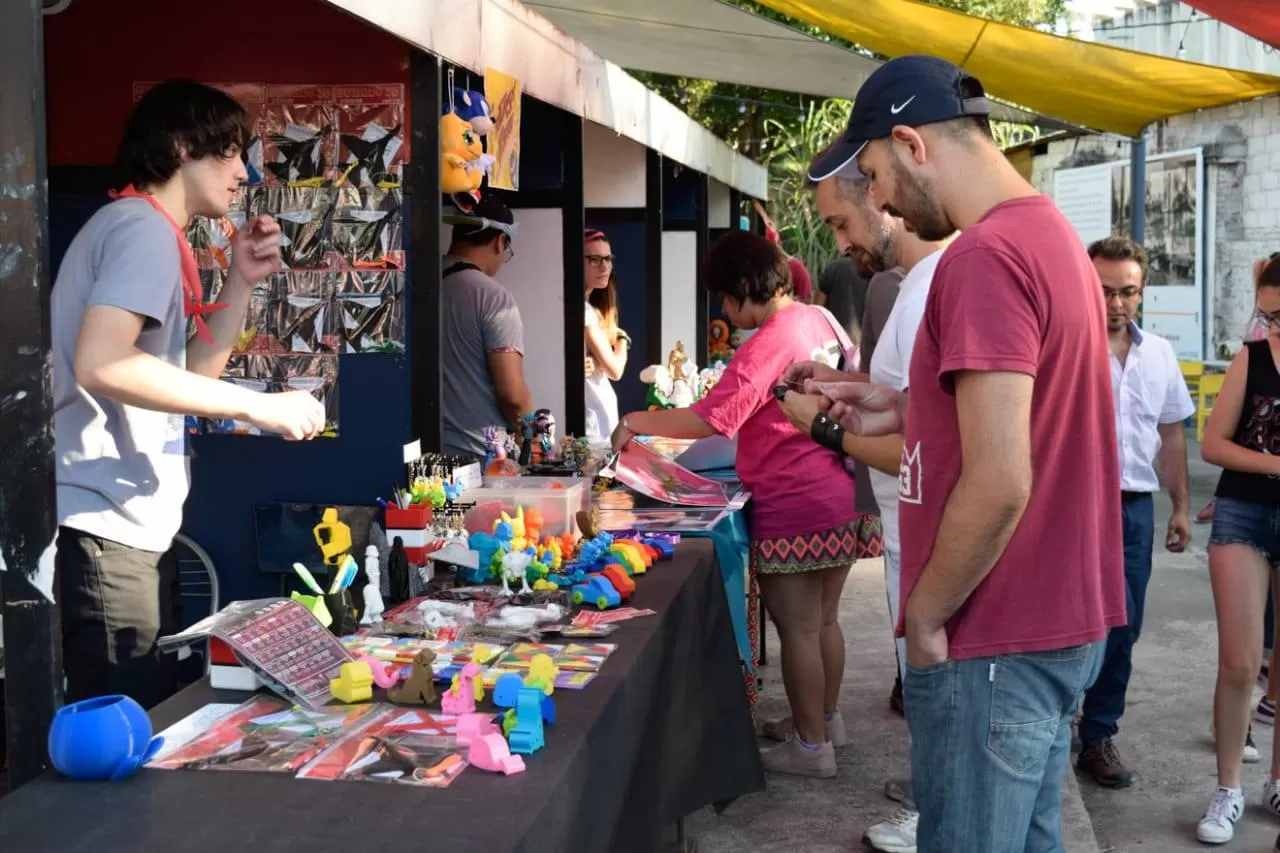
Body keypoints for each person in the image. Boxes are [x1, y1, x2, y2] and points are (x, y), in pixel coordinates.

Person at [802, 55, 1123, 852]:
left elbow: (1002, 475)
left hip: (995, 630)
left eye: (873, 173)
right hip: (1056, 618)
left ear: (912, 144)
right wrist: (900, 404)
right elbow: (1026, 418)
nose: (875, 198)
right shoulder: (1048, 232)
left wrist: (928, 611)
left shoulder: (981, 256)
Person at [53, 80, 326, 709]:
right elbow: (101, 363)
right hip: (104, 518)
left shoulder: (144, 229)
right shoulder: (141, 229)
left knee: (138, 718)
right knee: (121, 733)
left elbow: (192, 381)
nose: (243, 172)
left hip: (126, 523)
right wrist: (258, 404)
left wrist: (241, 278)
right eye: (229, 153)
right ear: (180, 147)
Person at [611, 230, 861, 778]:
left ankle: (811, 749)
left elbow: (710, 419)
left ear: (747, 287)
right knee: (823, 622)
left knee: (796, 628)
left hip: (793, 496)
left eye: (726, 297)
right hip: (837, 488)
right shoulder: (818, 318)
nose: (724, 309)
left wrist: (634, 423)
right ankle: (823, 720)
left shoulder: (770, 339)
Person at [780, 162, 953, 853]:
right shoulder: (905, 287)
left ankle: (932, 809)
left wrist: (822, 425)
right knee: (923, 684)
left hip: (932, 531)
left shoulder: (933, 283)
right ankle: (928, 796)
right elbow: (903, 406)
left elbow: (926, 442)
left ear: (884, 199)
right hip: (910, 521)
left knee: (935, 686)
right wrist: (845, 386)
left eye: (843, 221)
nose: (842, 241)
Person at [1072, 237, 1194, 789]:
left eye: (1127, 292)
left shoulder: (1160, 354)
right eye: (1104, 291)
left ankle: (1097, 733)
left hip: (1134, 509)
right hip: (1072, 505)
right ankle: (1051, 727)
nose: (1116, 304)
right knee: (1067, 618)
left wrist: (1181, 509)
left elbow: (1170, 435)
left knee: (1125, 625)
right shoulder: (1066, 348)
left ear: (1142, 293)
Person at [1197, 254, 1280, 844]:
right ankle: (1229, 787)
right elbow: (1213, 445)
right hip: (1244, 512)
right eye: (1269, 315)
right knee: (1240, 663)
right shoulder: (1251, 359)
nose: (1273, 326)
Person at [441, 196, 532, 456]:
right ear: (500, 241)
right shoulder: (493, 297)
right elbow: (512, 396)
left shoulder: (420, 281)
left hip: (424, 452)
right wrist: (525, 424)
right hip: (480, 455)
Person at [582, 228, 629, 440]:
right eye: (594, 259)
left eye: (608, 259)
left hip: (599, 420)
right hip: (592, 425)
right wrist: (622, 340)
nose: (604, 267)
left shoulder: (590, 309)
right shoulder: (583, 310)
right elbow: (616, 370)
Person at [815, 255, 868, 341]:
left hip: (834, 338)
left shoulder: (832, 268)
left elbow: (818, 309)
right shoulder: (870, 271)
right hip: (862, 341)